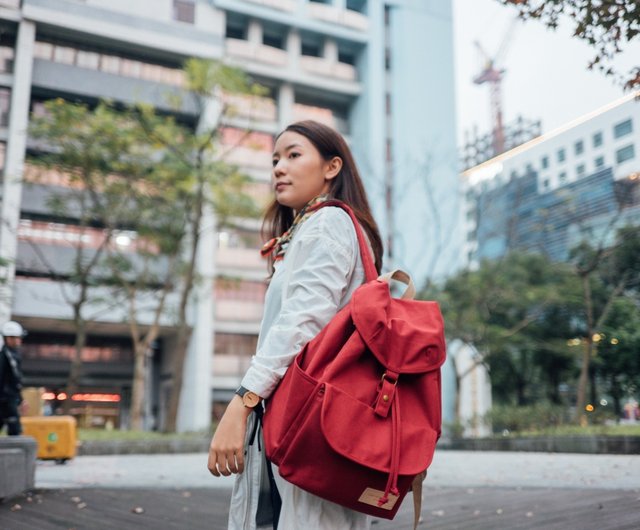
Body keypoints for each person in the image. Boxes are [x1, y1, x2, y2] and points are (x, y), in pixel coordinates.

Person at [208, 120, 383, 530]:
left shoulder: (328, 224)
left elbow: (301, 322)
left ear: (331, 167)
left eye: (293, 154)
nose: (278, 168)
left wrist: (243, 400)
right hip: (306, 417)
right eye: (274, 160)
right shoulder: (308, 229)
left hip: (312, 419)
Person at [0, 320, 26, 436]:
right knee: (15, 429)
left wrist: (20, 399)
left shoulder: (12, 355)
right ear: (9, 338)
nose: (19, 340)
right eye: (17, 337)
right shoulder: (5, 356)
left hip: (9, 399)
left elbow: (16, 381)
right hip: (5, 400)